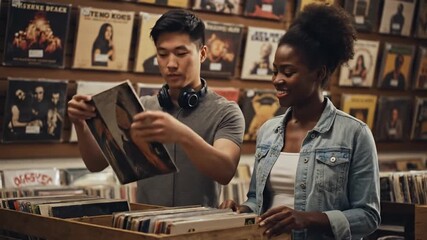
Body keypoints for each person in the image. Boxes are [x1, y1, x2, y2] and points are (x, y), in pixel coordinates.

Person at [220, 4, 380, 239]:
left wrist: (308, 219)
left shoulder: (355, 134)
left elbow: (369, 216)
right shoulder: (268, 131)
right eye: (275, 71)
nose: (277, 80)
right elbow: (256, 200)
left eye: (288, 72)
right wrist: (241, 210)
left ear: (319, 73)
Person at [67, 9, 245, 208]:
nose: (170, 64)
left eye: (181, 53)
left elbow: (225, 171)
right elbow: (96, 164)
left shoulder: (226, 112)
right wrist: (80, 124)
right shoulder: (141, 107)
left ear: (202, 53)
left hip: (198, 230)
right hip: (146, 227)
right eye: (162, 54)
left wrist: (181, 134)